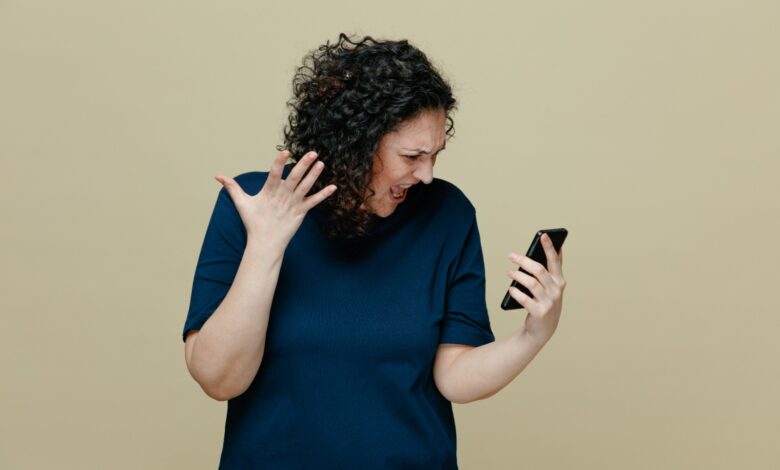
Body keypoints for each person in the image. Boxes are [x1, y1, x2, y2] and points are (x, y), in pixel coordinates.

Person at [182, 33, 566, 469]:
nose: (426, 175)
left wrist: (534, 335)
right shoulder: (255, 204)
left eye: (435, 155)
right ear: (356, 143)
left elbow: (454, 376)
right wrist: (265, 247)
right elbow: (218, 380)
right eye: (412, 156)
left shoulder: (448, 214)